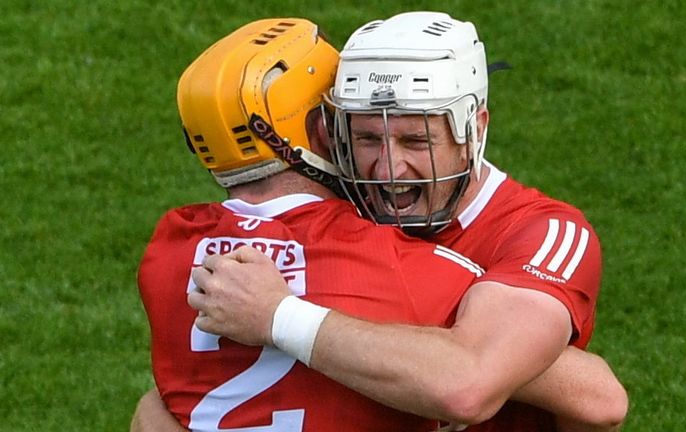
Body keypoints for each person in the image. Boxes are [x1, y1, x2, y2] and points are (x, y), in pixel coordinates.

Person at [183, 11, 628, 432]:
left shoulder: (542, 234)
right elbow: (169, 400)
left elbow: (489, 387)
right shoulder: (331, 211)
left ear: (473, 130)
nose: (387, 168)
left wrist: (280, 317)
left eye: (416, 140)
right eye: (367, 138)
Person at [138, 18, 481, 431]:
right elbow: (495, 379)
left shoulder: (167, 253)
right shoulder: (406, 267)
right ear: (322, 130)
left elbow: (155, 409)